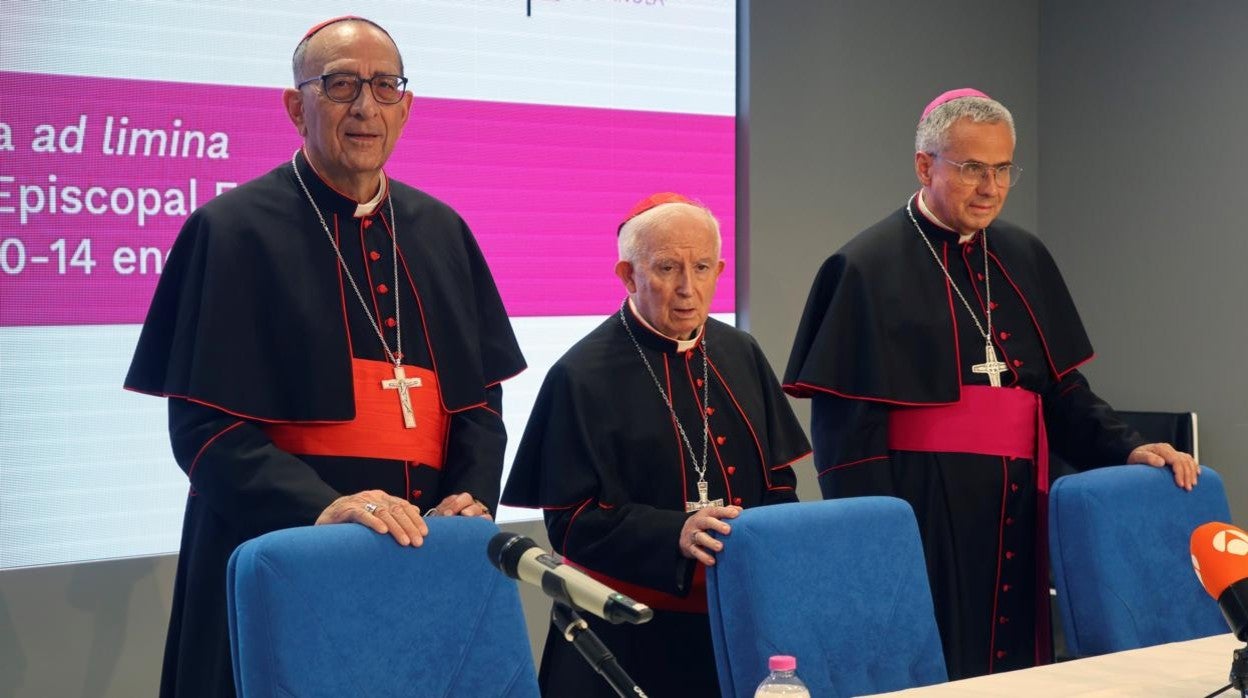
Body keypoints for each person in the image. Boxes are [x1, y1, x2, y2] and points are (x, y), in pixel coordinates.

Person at [124, 16, 525, 698]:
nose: (365, 106)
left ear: (406, 106)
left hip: (422, 563)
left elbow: (479, 399)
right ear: (294, 106)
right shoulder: (230, 231)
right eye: (340, 85)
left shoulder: (443, 231)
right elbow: (205, 431)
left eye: (384, 86)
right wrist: (323, 508)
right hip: (282, 560)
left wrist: (471, 494)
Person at [783, 88, 1200, 680]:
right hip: (921, 512)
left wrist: (1126, 445)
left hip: (1019, 507)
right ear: (925, 165)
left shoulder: (1023, 255)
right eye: (973, 168)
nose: (991, 187)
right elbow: (845, 434)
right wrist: (875, 543)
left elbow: (1060, 392)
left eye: (1003, 169)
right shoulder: (865, 267)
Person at [501, 193, 811, 697]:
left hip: (736, 618)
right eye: (667, 267)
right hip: (630, 634)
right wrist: (674, 533)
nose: (689, 289)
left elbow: (779, 483)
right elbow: (570, 522)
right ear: (628, 275)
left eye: (703, 267)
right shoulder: (580, 375)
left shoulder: (740, 352)